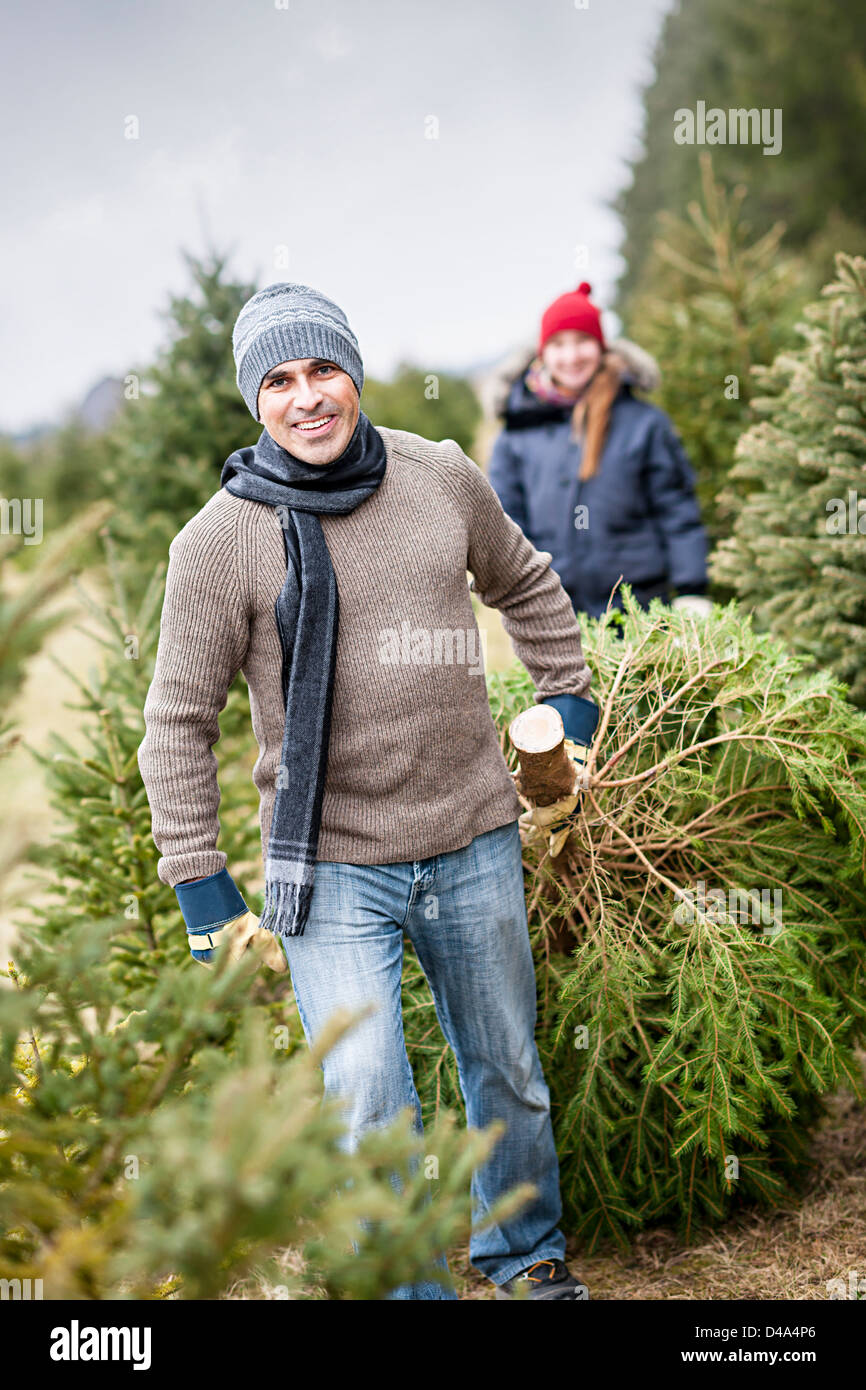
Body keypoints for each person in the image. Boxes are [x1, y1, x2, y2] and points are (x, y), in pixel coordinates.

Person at [137, 282, 601, 1301]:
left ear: (353, 371)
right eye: (279, 380)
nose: (307, 397)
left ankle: (524, 1257)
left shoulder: (437, 475)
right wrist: (202, 893)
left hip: (471, 831)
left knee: (508, 1069)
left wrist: (567, 705)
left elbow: (522, 580)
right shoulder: (220, 542)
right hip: (331, 865)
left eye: (322, 370)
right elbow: (175, 723)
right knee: (364, 1100)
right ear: (254, 402)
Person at [487, 281, 711, 623]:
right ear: (542, 352)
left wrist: (691, 587)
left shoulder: (644, 423)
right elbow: (505, 522)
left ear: (601, 347)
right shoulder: (517, 431)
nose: (572, 356)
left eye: (583, 342)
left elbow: (676, 507)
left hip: (642, 608)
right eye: (559, 344)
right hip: (554, 610)